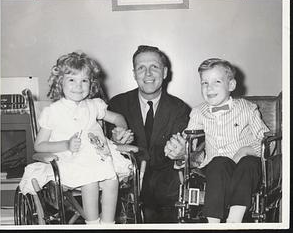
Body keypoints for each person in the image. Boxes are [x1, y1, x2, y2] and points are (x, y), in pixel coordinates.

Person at [31, 51, 133, 224]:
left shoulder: (94, 105)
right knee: (90, 180)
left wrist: (122, 129)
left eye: (84, 80)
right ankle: (92, 223)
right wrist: (66, 144)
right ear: (59, 82)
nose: (78, 86)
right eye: (72, 79)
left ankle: (108, 224)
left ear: (91, 83)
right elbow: (39, 145)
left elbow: (117, 118)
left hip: (99, 157)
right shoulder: (54, 112)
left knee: (111, 180)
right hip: (71, 159)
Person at [165, 58, 269, 223]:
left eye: (217, 82)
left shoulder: (248, 108)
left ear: (231, 85)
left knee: (249, 162)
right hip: (216, 168)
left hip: (246, 166)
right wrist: (178, 149)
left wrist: (246, 150)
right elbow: (189, 142)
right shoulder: (198, 112)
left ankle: (235, 219)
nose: (209, 87)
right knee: (218, 162)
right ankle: (213, 222)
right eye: (204, 83)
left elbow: (267, 141)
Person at [106, 45, 191, 223]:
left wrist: (183, 154)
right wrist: (114, 142)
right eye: (141, 68)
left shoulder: (180, 109)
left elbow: (186, 152)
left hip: (167, 189)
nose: (148, 74)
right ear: (134, 74)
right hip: (126, 184)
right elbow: (100, 144)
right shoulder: (117, 105)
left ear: (165, 72)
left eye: (154, 67)